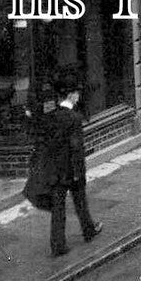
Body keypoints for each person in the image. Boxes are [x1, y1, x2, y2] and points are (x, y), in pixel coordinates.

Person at [39, 71, 101, 257]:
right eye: (77, 93)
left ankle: (58, 245)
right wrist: (79, 172)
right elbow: (76, 148)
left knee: (58, 208)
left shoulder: (52, 116)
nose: (79, 96)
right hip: (71, 170)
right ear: (72, 95)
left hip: (56, 170)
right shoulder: (74, 118)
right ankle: (88, 230)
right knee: (80, 201)